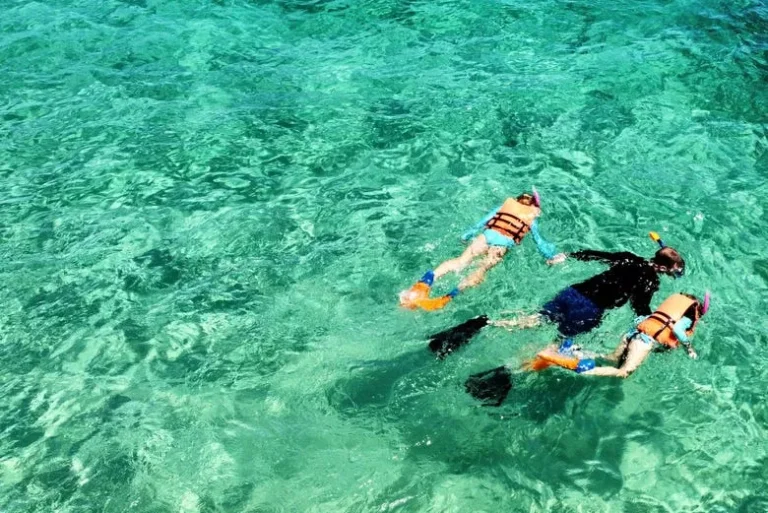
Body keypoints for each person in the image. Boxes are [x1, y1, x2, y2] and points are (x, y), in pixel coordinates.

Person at [399, 190, 558, 311]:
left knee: (460, 261)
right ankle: (450, 296)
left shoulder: (503, 207)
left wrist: (466, 235)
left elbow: (483, 221)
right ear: (533, 206)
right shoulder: (531, 218)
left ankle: (422, 285)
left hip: (485, 237)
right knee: (480, 269)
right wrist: (550, 256)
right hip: (500, 246)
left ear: (517, 201)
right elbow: (539, 242)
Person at [530, 292, 709, 378]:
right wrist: (689, 347)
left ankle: (572, 349)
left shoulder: (670, 310)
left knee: (611, 359)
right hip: (644, 341)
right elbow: (677, 331)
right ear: (697, 311)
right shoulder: (687, 317)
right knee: (623, 371)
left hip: (633, 334)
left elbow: (642, 318)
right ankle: (569, 364)